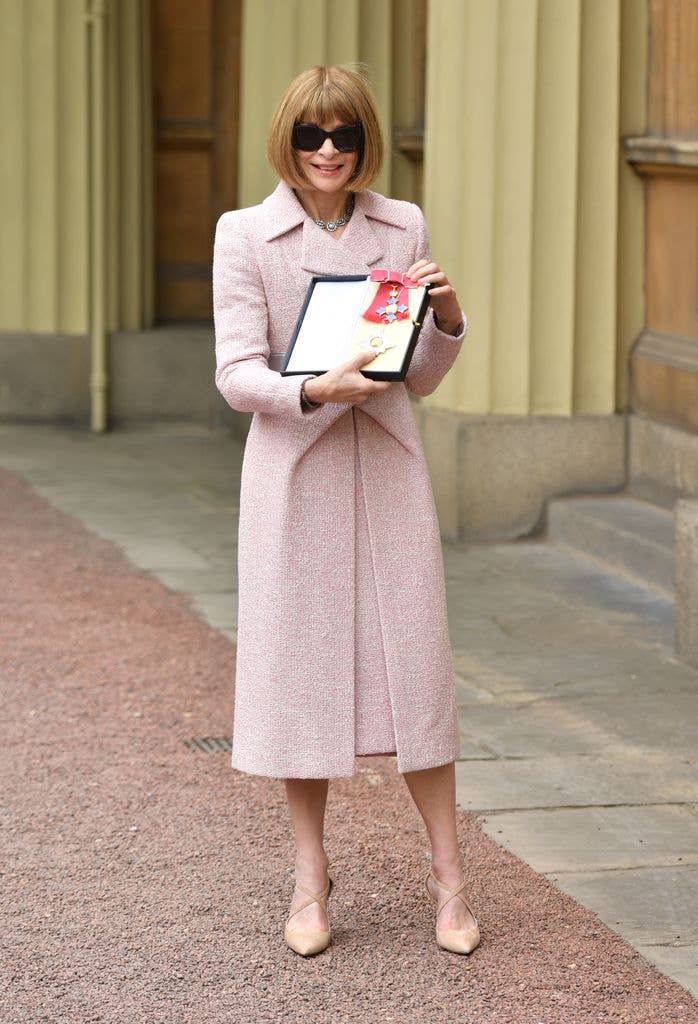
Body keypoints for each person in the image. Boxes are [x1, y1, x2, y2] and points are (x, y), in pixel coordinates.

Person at [212, 64, 479, 958]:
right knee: (302, 687)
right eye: (310, 136)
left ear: (365, 141)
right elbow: (235, 373)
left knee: (418, 675)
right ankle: (309, 881)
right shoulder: (245, 234)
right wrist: (312, 390)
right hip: (296, 477)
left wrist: (443, 319)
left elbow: (420, 377)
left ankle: (451, 884)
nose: (328, 152)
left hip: (390, 470)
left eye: (345, 136)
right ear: (285, 140)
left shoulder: (402, 225)